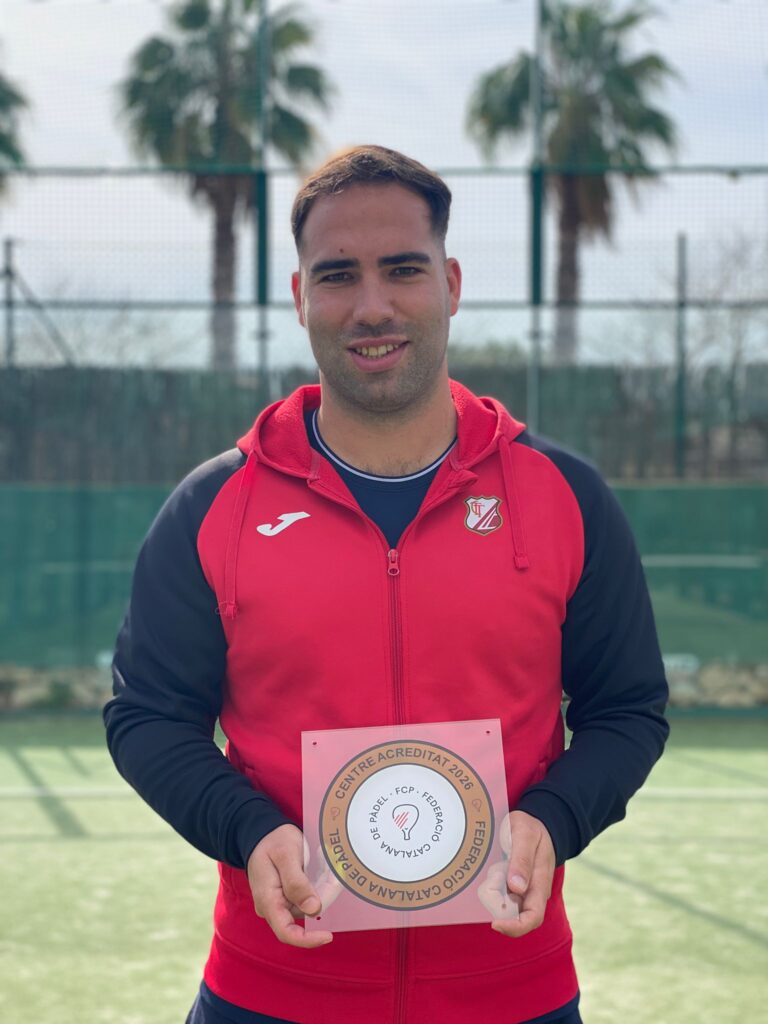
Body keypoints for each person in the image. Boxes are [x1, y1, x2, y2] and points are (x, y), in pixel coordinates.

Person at [104, 145, 669, 1024]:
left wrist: (553, 819)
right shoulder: (214, 506)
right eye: (339, 276)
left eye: (403, 269)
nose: (372, 306)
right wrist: (250, 831)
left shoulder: (565, 495)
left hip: (513, 994)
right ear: (301, 298)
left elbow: (629, 708)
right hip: (269, 993)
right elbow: (147, 716)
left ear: (450, 283)